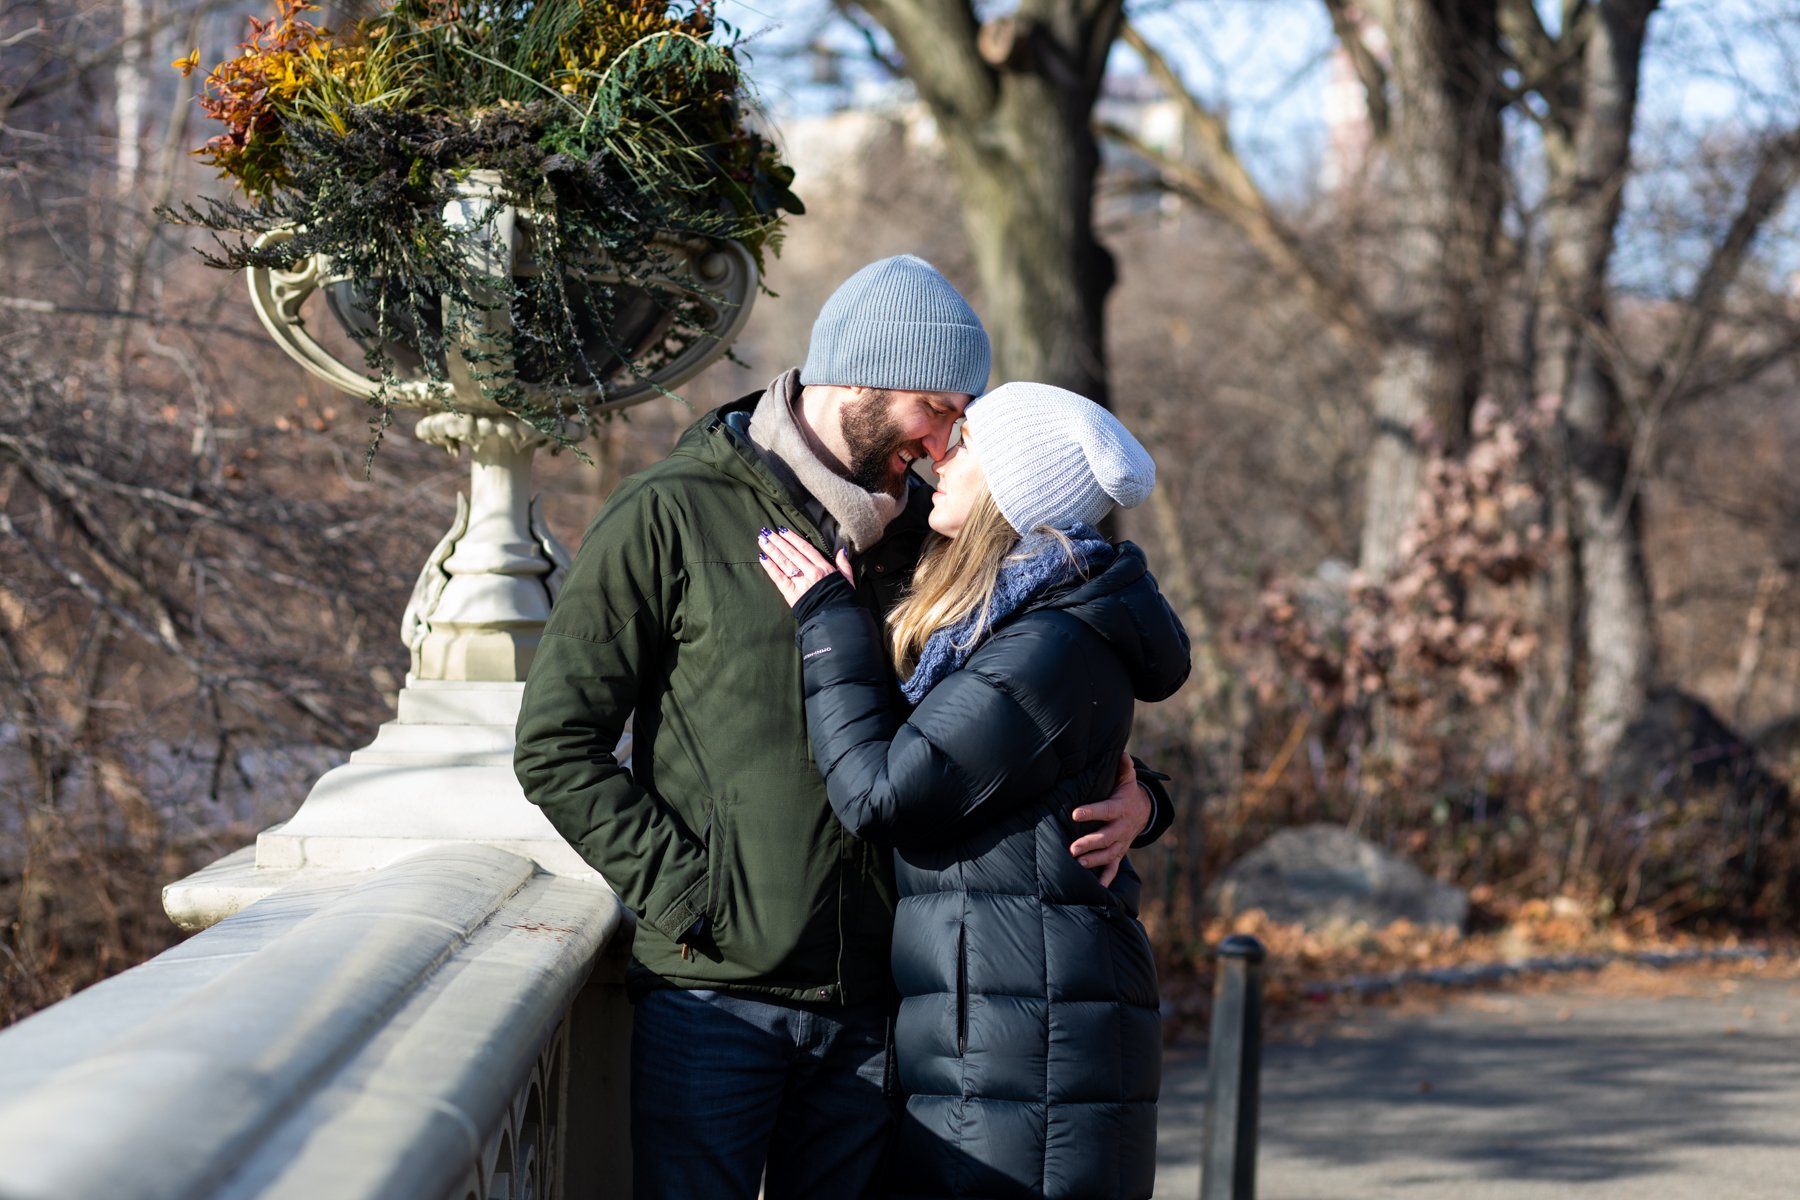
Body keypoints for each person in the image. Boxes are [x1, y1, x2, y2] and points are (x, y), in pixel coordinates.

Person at [513, 256, 1170, 1200]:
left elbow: (1037, 712)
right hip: (716, 1002)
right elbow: (557, 745)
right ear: (859, 378)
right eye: (937, 409)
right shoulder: (672, 513)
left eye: (963, 418)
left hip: (883, 1011)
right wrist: (698, 899)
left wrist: (1145, 799)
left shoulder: (938, 539)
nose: (946, 441)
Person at [756, 381, 1191, 1200]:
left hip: (1031, 1043)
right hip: (1008, 1020)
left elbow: (884, 794)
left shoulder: (1046, 642)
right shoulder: (1014, 623)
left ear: (1012, 485)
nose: (937, 458)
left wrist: (827, 622)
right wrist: (1150, 802)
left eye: (966, 445)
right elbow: (1048, 765)